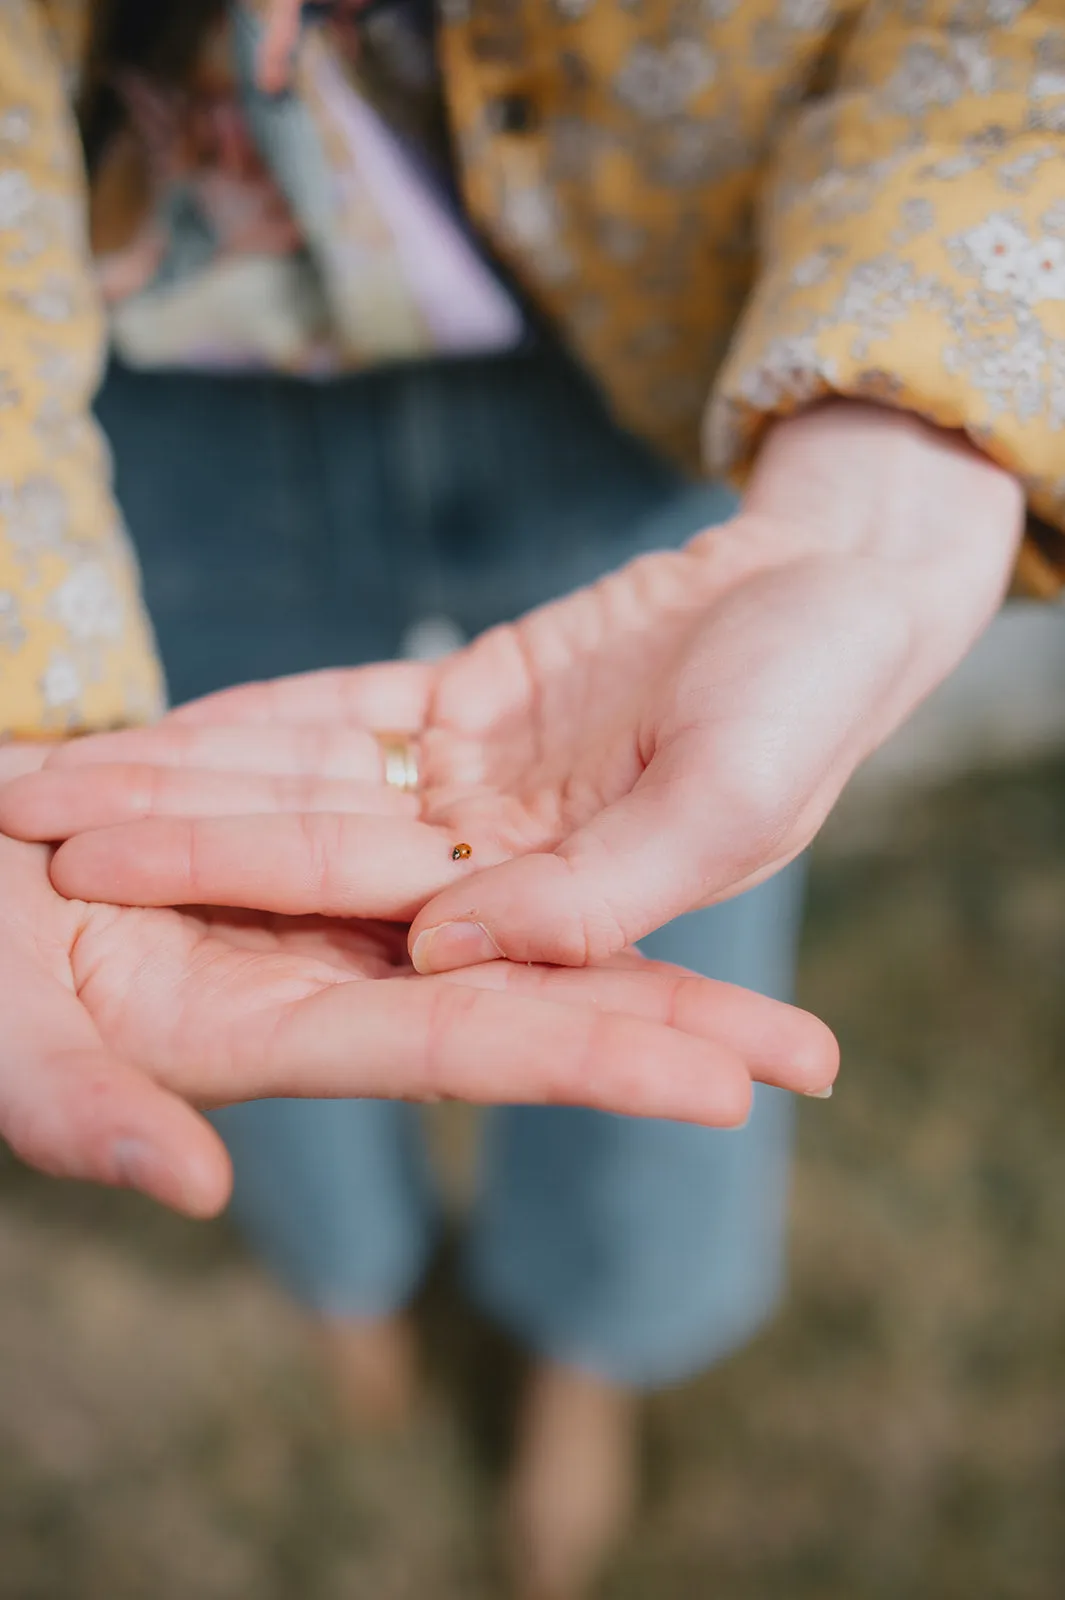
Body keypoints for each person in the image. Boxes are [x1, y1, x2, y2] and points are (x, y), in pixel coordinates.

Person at [0, 0, 1058, 1594]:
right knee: (189, 906)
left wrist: (891, 487)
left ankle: (598, 1344)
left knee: (659, 926)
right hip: (151, 363)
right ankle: (346, 1279)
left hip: (645, 345)